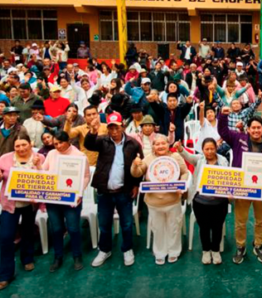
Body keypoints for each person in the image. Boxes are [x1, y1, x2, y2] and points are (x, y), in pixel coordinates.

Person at [218, 108, 262, 264]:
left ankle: (258, 245)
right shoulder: (238, 139)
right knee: (240, 221)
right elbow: (223, 131)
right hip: (243, 190)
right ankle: (241, 247)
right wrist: (223, 115)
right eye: (253, 128)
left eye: (259, 128)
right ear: (248, 129)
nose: (256, 130)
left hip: (261, 190)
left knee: (260, 221)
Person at [84, 111, 143, 268]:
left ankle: (127, 249)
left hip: (124, 191)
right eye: (111, 128)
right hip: (104, 191)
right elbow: (89, 144)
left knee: (127, 224)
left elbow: (140, 165)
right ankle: (105, 250)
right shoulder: (102, 141)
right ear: (108, 128)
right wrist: (93, 130)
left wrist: (136, 184)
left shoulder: (133, 144)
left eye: (117, 128)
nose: (114, 131)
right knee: (104, 224)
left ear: (123, 126)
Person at [0, 136, 45, 290]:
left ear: (30, 144)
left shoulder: (39, 157)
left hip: (30, 204)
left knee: (28, 232)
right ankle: (5, 275)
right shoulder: (5, 158)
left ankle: (27, 259)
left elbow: (46, 179)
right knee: (6, 237)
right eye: (17, 146)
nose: (21, 148)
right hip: (10, 205)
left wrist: (38, 166)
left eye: (24, 145)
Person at [131, 135, 188, 264]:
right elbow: (136, 173)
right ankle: (160, 252)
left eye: (163, 143)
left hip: (173, 201)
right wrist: (135, 165)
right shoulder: (148, 158)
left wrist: (181, 184)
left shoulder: (175, 157)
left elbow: (185, 172)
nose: (161, 146)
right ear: (153, 146)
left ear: (168, 144)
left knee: (174, 228)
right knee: (157, 229)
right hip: (154, 203)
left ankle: (174, 251)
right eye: (157, 144)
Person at [41, 131, 91, 272]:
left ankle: (77, 256)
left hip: (71, 198)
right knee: (56, 229)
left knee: (73, 228)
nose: (58, 146)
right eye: (55, 144)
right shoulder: (51, 154)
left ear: (68, 140)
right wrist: (37, 165)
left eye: (60, 143)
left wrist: (79, 192)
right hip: (53, 198)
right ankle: (58, 257)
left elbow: (86, 176)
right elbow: (43, 172)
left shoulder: (80, 156)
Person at [176, 138, 229, 265]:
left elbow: (229, 176)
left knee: (217, 227)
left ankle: (215, 250)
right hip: (200, 202)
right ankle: (206, 250)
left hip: (219, 202)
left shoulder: (223, 160)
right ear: (203, 150)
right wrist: (180, 148)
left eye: (212, 148)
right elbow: (187, 156)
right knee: (204, 228)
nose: (209, 151)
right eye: (207, 149)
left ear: (216, 148)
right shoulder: (199, 159)